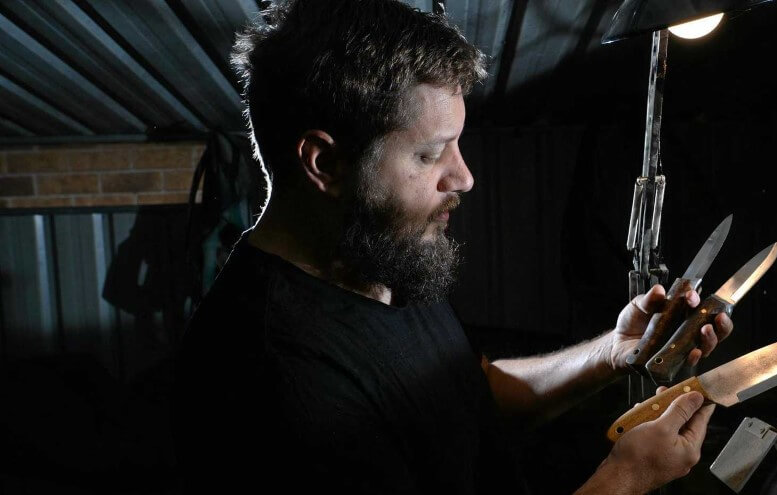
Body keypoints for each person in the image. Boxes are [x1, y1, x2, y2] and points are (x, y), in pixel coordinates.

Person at [172, 1, 733, 493]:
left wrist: (613, 352)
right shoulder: (275, 380)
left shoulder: (376, 255)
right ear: (325, 163)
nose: (463, 177)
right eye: (429, 154)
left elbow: (468, 397)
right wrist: (626, 479)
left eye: (457, 143)